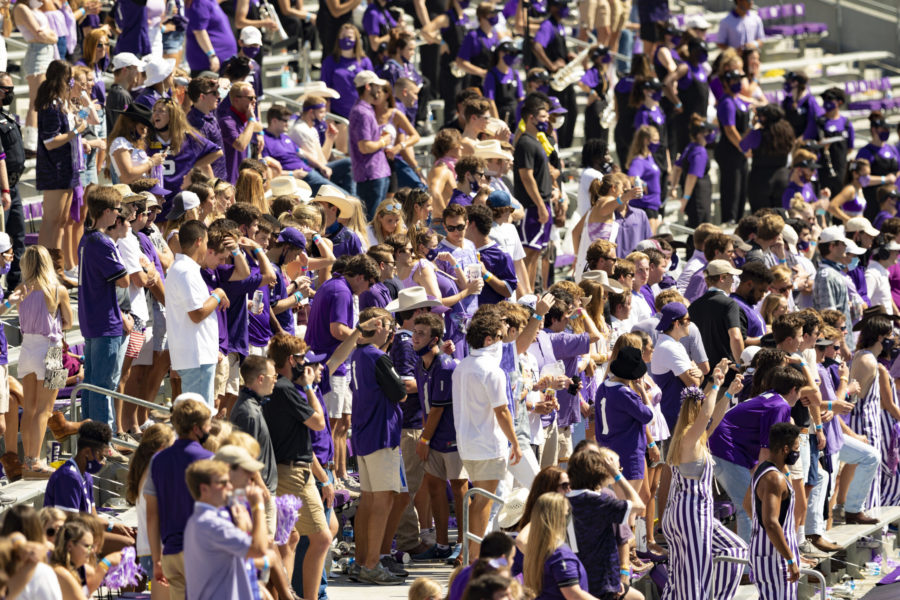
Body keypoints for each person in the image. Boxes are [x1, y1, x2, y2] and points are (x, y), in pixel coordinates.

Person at [663, 371, 747, 600]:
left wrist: (728, 393)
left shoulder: (696, 438)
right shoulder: (689, 436)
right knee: (692, 578)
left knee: (735, 548)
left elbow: (715, 416)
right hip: (690, 513)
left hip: (697, 513)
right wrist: (716, 385)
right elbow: (708, 413)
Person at [262, 333, 331, 600]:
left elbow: (299, 437)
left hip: (298, 471)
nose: (307, 365)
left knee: (290, 540)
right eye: (303, 359)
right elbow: (318, 423)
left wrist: (322, 477)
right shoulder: (285, 389)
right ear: (292, 360)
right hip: (289, 474)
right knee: (304, 540)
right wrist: (310, 387)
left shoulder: (283, 388)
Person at [346, 307, 409, 584]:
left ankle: (361, 562)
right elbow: (400, 393)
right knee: (382, 501)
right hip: (381, 434)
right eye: (387, 325)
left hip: (364, 433)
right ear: (377, 327)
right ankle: (371, 564)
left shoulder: (357, 353)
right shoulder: (376, 355)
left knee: (370, 501)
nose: (390, 330)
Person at [709, 366, 807, 542]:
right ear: (793, 390)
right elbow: (766, 450)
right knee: (749, 506)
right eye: (800, 392)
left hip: (726, 448)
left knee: (752, 504)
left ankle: (753, 557)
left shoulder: (772, 398)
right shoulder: (780, 405)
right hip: (725, 449)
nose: (800, 397)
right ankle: (749, 564)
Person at [144, 395, 215, 600]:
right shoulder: (209, 460)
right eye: (207, 425)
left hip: (171, 555)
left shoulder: (157, 460)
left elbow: (151, 515)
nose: (209, 430)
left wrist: (157, 558)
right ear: (196, 428)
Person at [11, 245, 72, 477]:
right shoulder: (58, 290)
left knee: (29, 409)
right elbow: (68, 321)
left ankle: (28, 460)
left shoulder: (21, 289)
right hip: (52, 350)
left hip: (27, 348)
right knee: (44, 410)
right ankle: (35, 462)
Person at [78, 186, 129, 428]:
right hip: (105, 322)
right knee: (102, 385)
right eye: (117, 211)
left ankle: (91, 434)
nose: (118, 216)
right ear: (107, 211)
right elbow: (124, 279)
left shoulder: (86, 238)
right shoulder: (102, 241)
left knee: (91, 383)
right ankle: (102, 439)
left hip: (92, 320)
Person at [183, 459, 268, 599]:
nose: (229, 487)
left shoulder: (198, 520)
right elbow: (258, 549)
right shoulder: (212, 524)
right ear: (204, 489)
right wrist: (258, 506)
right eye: (223, 483)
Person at [165, 220, 229, 403]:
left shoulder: (184, 269)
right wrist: (217, 294)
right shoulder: (186, 271)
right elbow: (197, 314)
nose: (207, 247)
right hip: (196, 356)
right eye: (208, 243)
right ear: (199, 241)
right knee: (198, 418)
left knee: (195, 416)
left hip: (196, 355)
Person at [749, 423, 802, 599]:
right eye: (796, 448)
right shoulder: (774, 479)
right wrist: (790, 559)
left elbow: (747, 505)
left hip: (768, 552)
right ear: (785, 449)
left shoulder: (761, 469)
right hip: (775, 558)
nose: (797, 453)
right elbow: (771, 523)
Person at [514, 95, 553, 288]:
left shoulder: (536, 141)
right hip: (531, 206)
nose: (546, 120)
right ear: (531, 117)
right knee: (528, 252)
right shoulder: (525, 143)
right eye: (543, 116)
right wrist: (539, 205)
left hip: (543, 203)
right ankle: (526, 296)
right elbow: (526, 177)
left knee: (536, 252)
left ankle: (531, 292)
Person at [522, 492, 591, 600]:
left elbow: (520, 540)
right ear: (559, 517)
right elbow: (574, 595)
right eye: (567, 514)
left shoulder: (536, 550)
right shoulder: (560, 554)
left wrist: (539, 516)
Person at [349, 70, 392, 219]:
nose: (379, 90)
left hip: (375, 173)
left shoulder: (364, 110)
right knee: (371, 221)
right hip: (371, 174)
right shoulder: (362, 112)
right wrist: (383, 141)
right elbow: (364, 147)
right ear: (368, 87)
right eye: (376, 86)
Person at [688, 260, 744, 372]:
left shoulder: (693, 306)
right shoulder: (729, 304)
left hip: (702, 375)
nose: (733, 280)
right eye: (731, 277)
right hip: (725, 374)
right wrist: (741, 366)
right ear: (722, 278)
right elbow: (736, 337)